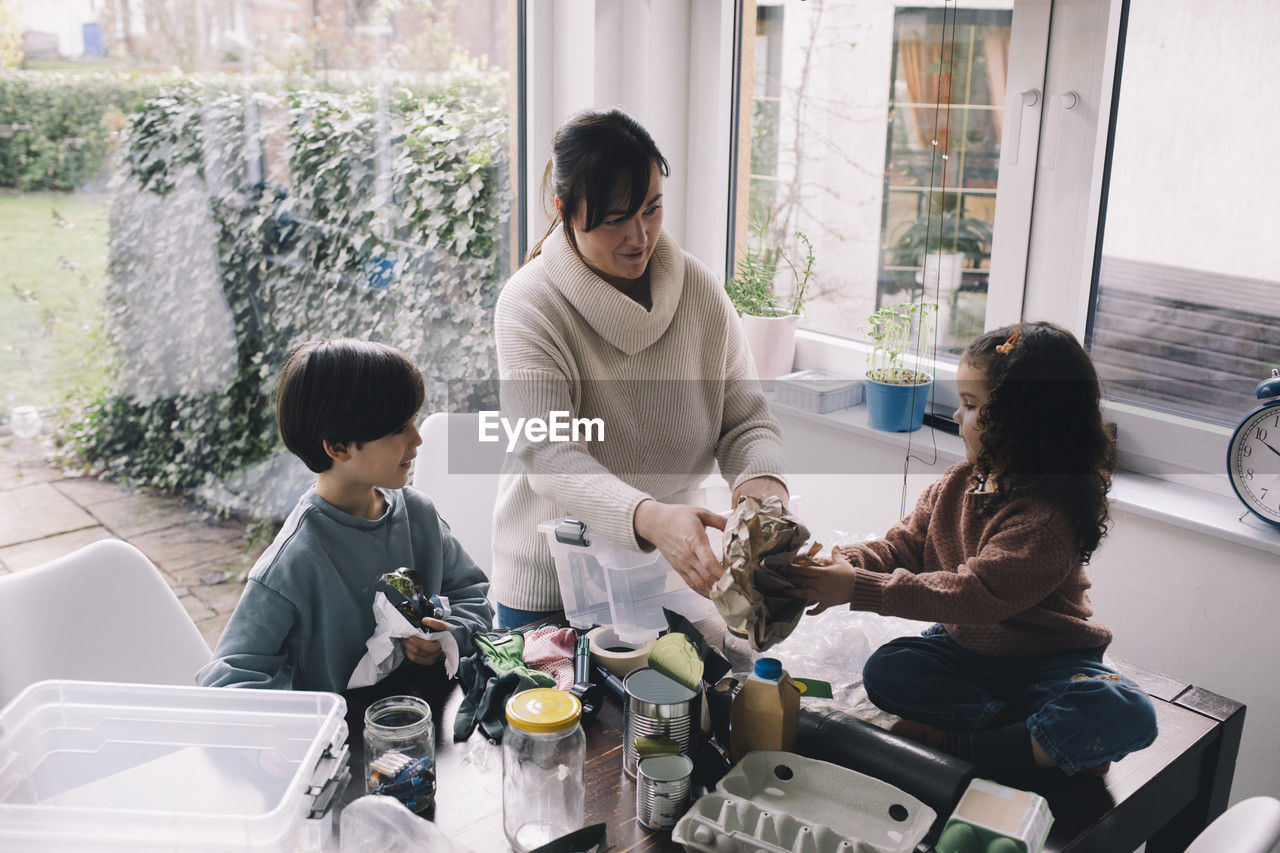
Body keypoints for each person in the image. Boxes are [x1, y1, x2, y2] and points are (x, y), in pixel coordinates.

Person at [788, 322, 1157, 778]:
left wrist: (861, 588)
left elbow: (972, 595)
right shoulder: (958, 483)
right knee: (889, 668)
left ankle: (980, 746)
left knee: (1125, 709)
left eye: (971, 405)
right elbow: (905, 544)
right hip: (967, 654)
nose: (958, 418)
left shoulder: (1046, 520)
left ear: (1025, 423)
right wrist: (847, 564)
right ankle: (1033, 741)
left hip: (1048, 662)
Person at [491, 107, 789, 628]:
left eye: (652, 209)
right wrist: (651, 519)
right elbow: (549, 454)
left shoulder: (698, 289)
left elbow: (746, 421)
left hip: (672, 579)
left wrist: (761, 491)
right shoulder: (529, 304)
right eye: (614, 219)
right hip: (552, 588)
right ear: (565, 211)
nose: (639, 236)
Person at [196, 338, 493, 696]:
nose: (418, 439)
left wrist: (449, 636)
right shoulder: (293, 562)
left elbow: (472, 596)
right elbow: (226, 682)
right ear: (337, 447)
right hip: (349, 743)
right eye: (399, 428)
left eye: (413, 421)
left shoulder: (418, 514)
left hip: (426, 722)